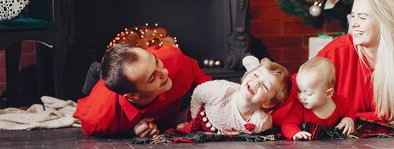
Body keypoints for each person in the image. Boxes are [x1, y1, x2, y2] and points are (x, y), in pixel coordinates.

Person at [274, 0, 394, 127]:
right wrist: (265, 97)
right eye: (353, 16)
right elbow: (296, 86)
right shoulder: (338, 49)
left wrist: (344, 116)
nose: (354, 24)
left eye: (362, 17)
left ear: (385, 21)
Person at [73, 43, 212, 136]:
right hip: (102, 94)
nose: (164, 73)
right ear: (132, 96)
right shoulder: (100, 117)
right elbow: (87, 124)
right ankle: (97, 72)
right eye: (152, 77)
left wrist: (210, 95)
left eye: (156, 62)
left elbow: (197, 74)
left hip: (169, 100)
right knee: (92, 89)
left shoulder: (173, 61)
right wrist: (131, 131)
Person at [176, 57, 291, 135]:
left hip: (214, 135)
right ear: (247, 74)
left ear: (268, 103)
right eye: (256, 75)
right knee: (176, 125)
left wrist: (238, 134)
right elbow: (199, 92)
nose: (257, 83)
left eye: (265, 86)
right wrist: (193, 118)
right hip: (196, 114)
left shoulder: (261, 121)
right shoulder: (221, 91)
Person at [281, 56, 354, 140]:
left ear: (328, 93)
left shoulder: (339, 101)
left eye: (308, 93)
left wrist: (348, 118)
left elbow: (349, 109)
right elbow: (288, 123)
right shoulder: (299, 106)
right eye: (299, 91)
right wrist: (296, 133)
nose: (302, 97)